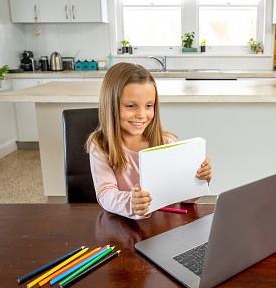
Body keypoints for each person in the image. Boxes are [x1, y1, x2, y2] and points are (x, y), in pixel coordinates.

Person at [86, 62, 212, 219]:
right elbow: (105, 194)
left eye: (148, 105)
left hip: (165, 228)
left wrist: (198, 181)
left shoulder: (166, 142)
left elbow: (185, 198)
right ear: (110, 105)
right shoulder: (101, 146)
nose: (141, 115)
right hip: (123, 229)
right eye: (131, 106)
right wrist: (131, 202)